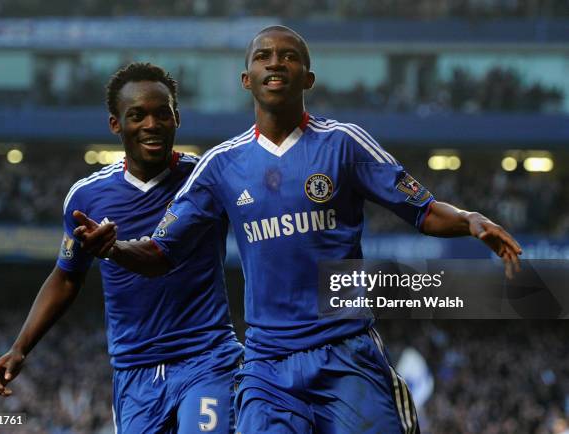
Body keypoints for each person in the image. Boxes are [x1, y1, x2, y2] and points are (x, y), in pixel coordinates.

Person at [74, 27, 522, 433]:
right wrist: (113, 249)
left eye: (288, 56)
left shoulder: (343, 143)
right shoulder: (220, 166)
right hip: (267, 367)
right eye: (263, 55)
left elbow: (423, 211)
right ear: (246, 79)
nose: (275, 62)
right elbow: (161, 253)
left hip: (346, 353)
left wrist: (469, 220)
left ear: (307, 78)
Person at [0, 62, 243, 434]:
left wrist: (346, 300)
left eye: (162, 114)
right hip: (134, 373)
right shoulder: (87, 196)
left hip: (207, 360)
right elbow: (66, 277)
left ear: (177, 118)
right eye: (137, 115)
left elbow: (272, 240)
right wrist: (20, 347)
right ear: (115, 124)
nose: (151, 125)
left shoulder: (206, 179)